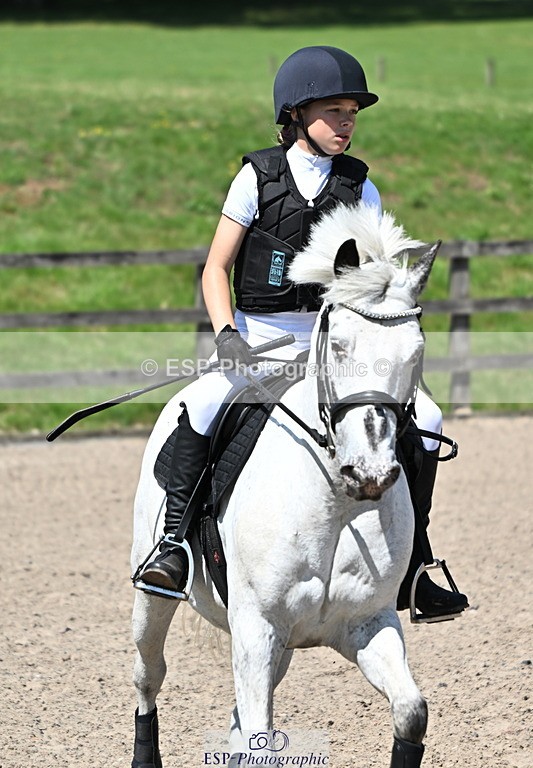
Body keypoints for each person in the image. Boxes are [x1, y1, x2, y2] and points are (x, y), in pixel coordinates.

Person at [136, 45, 468, 619]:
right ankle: (172, 547)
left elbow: (375, 281)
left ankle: (416, 565)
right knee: (204, 402)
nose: (347, 122)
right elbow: (215, 269)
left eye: (353, 113)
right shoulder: (256, 177)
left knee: (430, 419)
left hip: (332, 343)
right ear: (297, 114)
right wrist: (226, 337)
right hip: (260, 334)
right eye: (335, 110)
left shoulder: (360, 187)